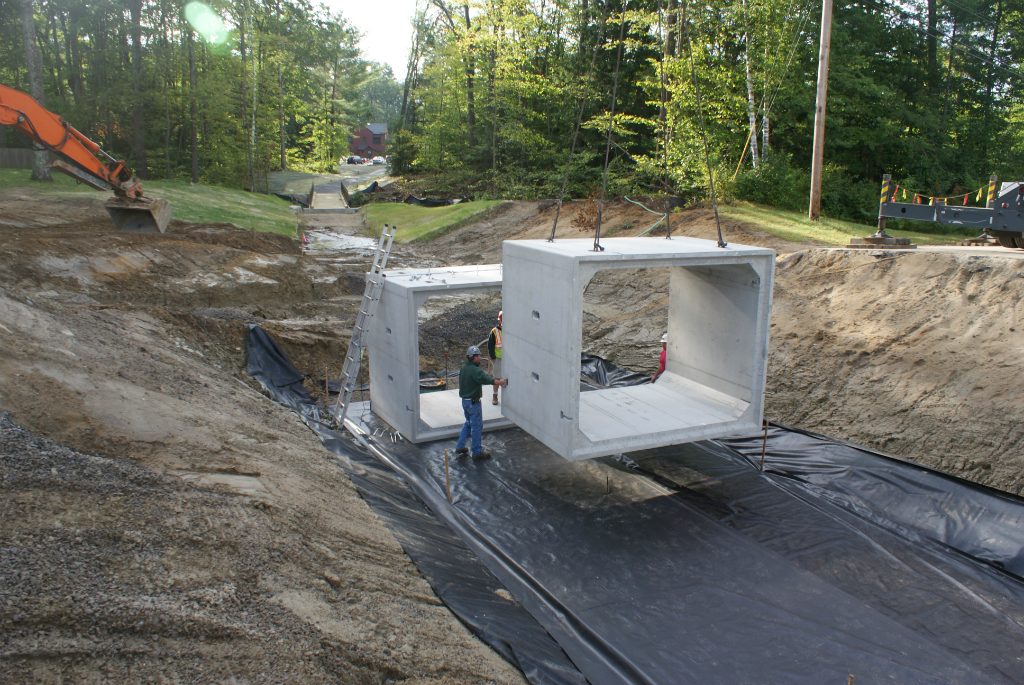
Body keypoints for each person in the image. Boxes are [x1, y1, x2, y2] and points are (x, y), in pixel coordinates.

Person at [455, 345, 507, 460]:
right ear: (473, 357)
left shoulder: (464, 368)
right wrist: (501, 382)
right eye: (478, 356)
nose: (480, 358)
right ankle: (477, 452)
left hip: (465, 402)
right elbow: (487, 379)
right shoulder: (475, 370)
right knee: (476, 426)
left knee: (468, 423)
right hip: (473, 403)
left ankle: (460, 446)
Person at [487, 310, 503, 405]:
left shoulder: (511, 330)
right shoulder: (494, 331)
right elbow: (490, 346)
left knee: (507, 378)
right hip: (498, 359)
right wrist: (493, 358)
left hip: (509, 360)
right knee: (497, 378)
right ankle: (495, 395)